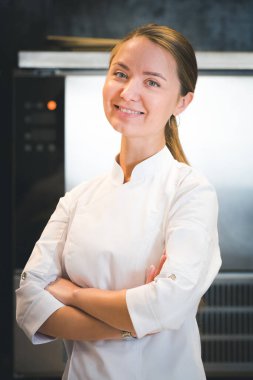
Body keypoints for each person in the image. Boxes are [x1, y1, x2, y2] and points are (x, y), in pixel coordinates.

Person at [16, 23, 222, 380]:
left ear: (182, 102)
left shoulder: (190, 191)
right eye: (120, 73)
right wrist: (131, 323)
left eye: (152, 82)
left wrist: (75, 295)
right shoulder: (78, 199)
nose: (128, 92)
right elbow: (29, 303)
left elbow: (167, 305)